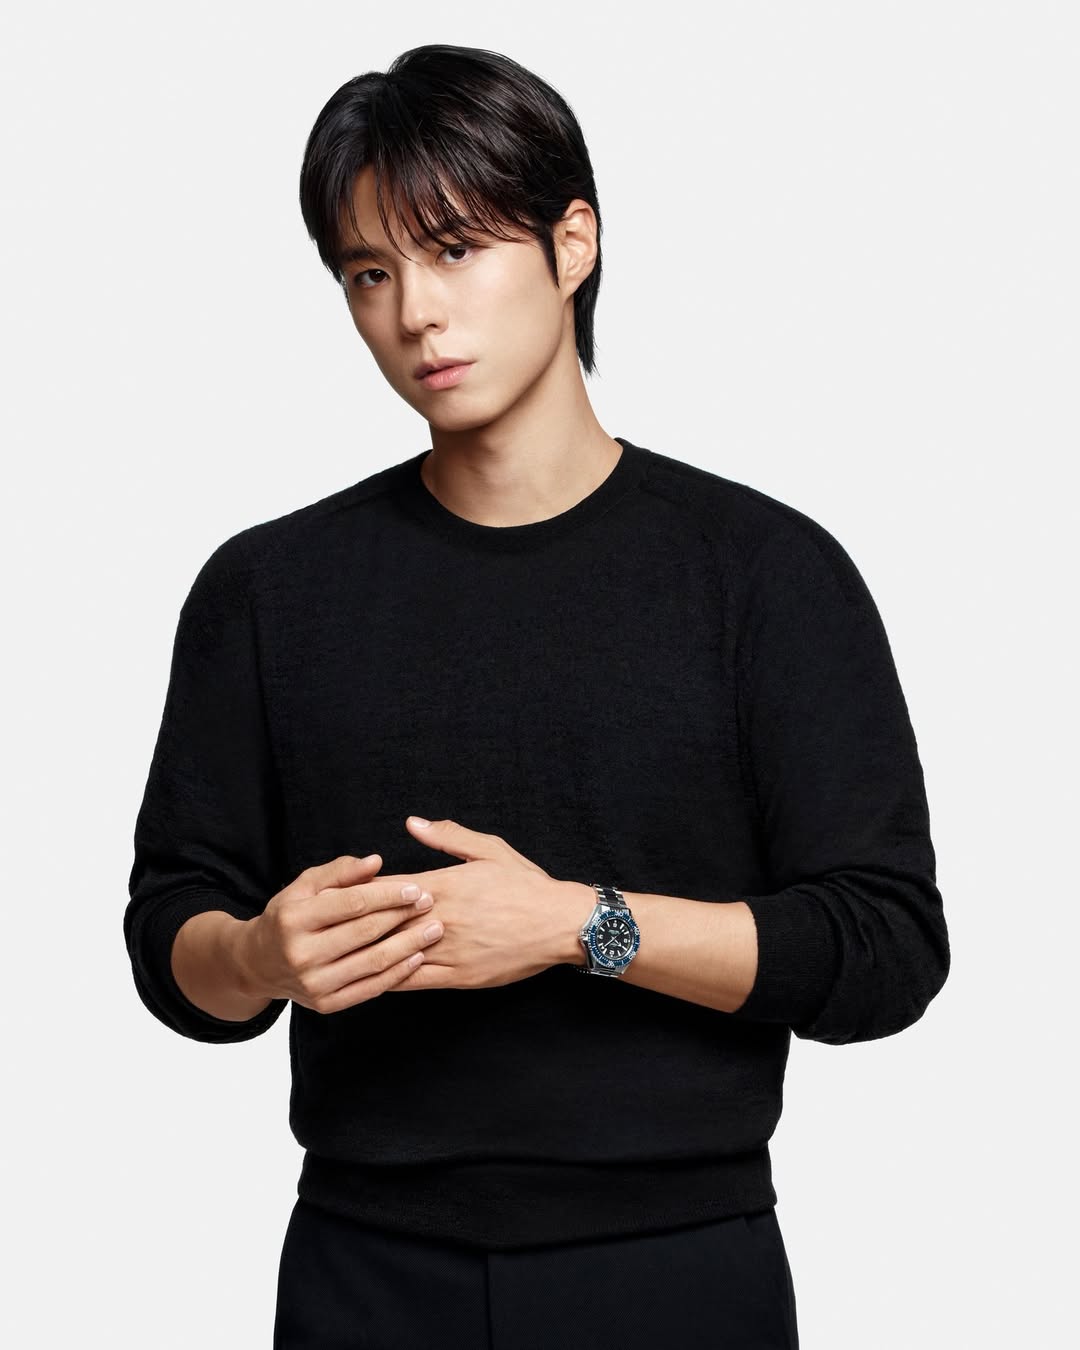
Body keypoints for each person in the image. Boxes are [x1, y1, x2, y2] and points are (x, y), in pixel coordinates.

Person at [123, 43, 950, 1350]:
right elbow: (173, 936)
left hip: (676, 1269)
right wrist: (259, 957)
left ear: (574, 244)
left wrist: (580, 925)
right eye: (370, 273)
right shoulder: (268, 590)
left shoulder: (763, 575)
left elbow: (884, 950)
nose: (416, 314)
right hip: (364, 1269)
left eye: (455, 249)